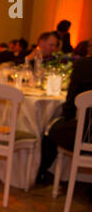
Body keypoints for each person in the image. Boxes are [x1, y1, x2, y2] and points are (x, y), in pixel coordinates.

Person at [37, 39, 92, 184]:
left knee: (51, 128)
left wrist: (66, 116)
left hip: (85, 136)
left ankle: (41, 172)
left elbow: (70, 104)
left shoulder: (83, 66)